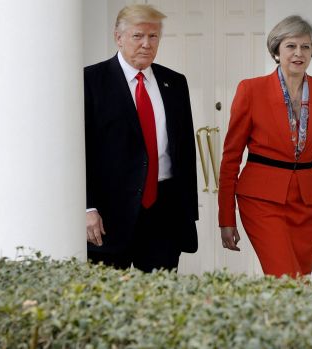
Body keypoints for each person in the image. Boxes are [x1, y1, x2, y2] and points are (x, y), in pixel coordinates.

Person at [218, 15, 312, 277]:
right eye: (291, 46)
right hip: (261, 200)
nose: (298, 53)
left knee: (300, 281)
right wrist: (226, 218)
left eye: (305, 47)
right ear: (276, 51)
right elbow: (231, 158)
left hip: (307, 203)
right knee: (286, 278)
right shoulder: (251, 90)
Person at [84, 5, 198, 272]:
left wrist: (188, 213)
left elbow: (185, 151)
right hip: (109, 214)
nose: (146, 44)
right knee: (107, 301)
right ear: (118, 37)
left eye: (153, 36)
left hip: (164, 211)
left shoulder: (175, 82)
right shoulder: (91, 80)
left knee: (161, 301)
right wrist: (87, 207)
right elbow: (81, 150)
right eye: (138, 36)